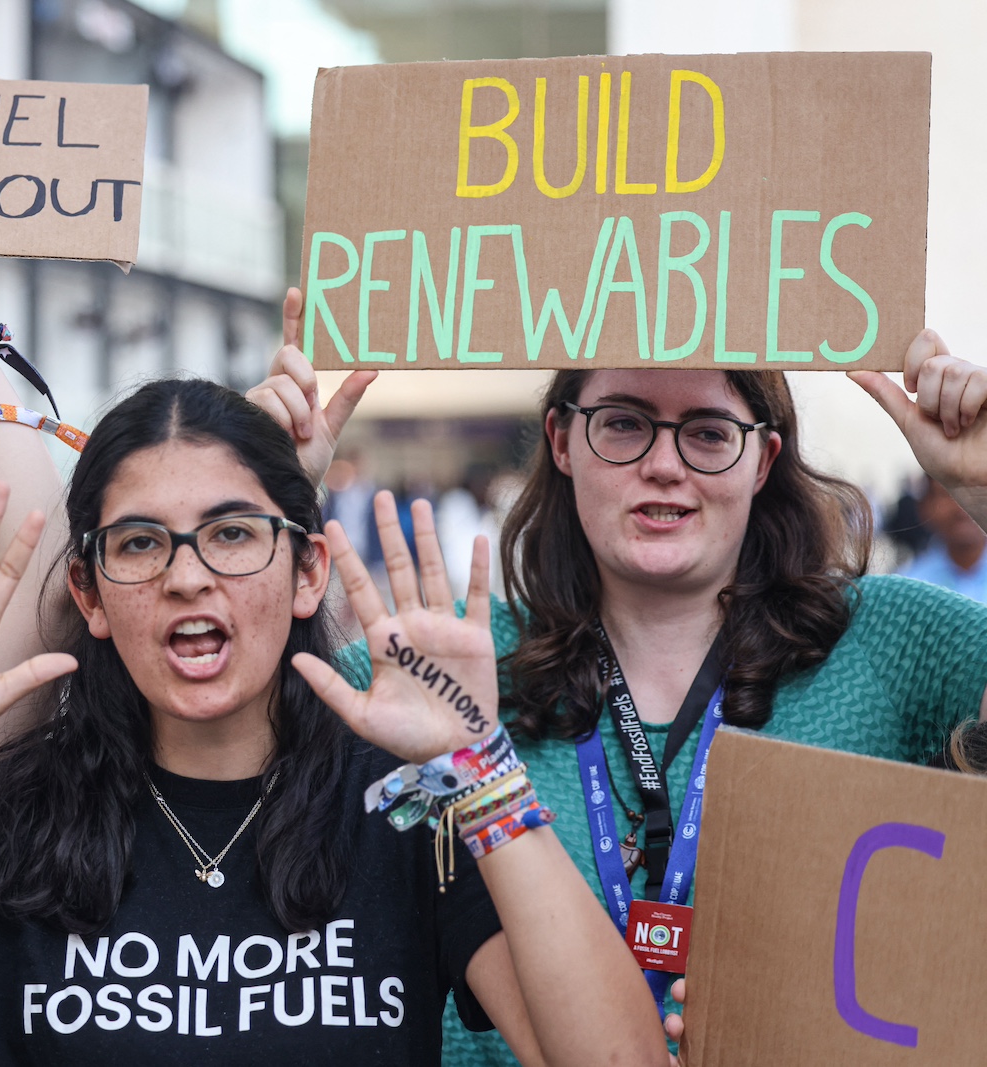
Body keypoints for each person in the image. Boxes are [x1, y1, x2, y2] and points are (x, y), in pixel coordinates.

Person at [0, 237, 669, 1066]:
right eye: (140, 543)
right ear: (85, 590)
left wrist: (478, 769)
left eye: (231, 532)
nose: (187, 576)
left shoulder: (403, 815)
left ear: (306, 571)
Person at [246, 293, 987, 1064]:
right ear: (563, 441)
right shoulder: (451, 666)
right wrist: (264, 502)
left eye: (708, 432)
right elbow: (207, 727)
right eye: (625, 423)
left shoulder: (891, 641)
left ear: (764, 460)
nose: (664, 464)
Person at [899, 474, 987, 602]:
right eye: (949, 494)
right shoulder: (909, 590)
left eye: (975, 492)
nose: (963, 508)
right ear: (925, 506)